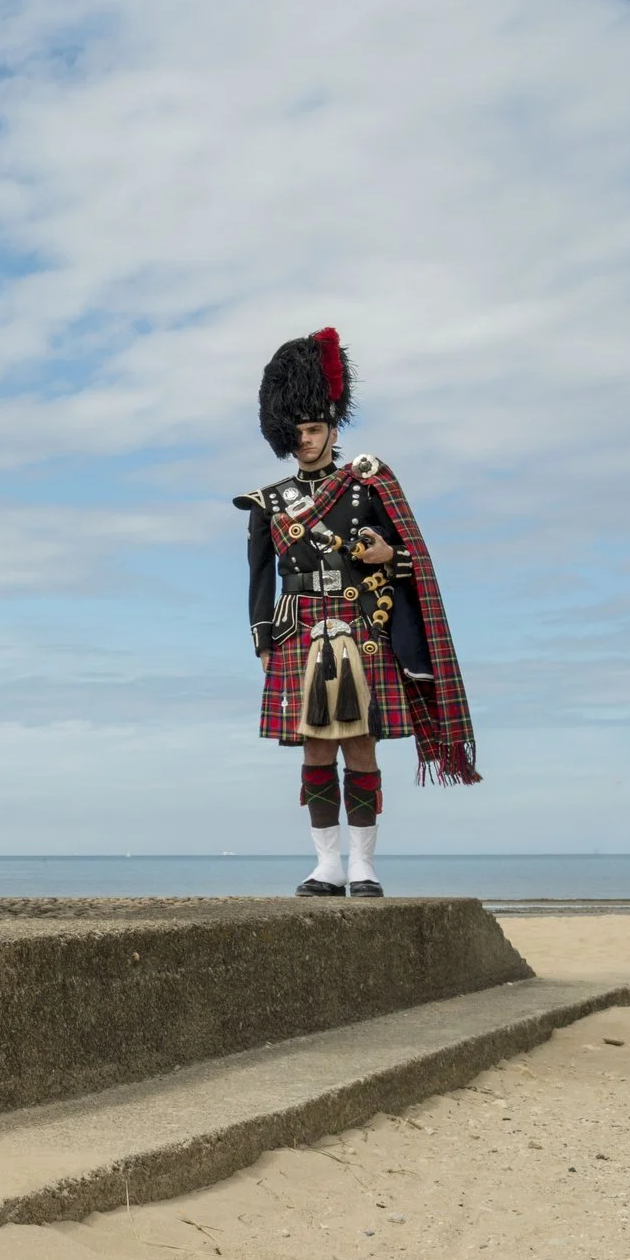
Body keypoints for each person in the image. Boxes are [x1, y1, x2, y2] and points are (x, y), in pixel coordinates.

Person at [236, 329, 477, 898]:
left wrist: (388, 554)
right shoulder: (266, 502)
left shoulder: (365, 487)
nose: (306, 440)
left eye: (314, 429)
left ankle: (364, 865)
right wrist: (262, 635)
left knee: (360, 745)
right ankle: (327, 866)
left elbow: (411, 555)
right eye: (295, 433)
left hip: (360, 624)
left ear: (333, 429)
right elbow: (258, 575)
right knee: (316, 748)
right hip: (299, 628)